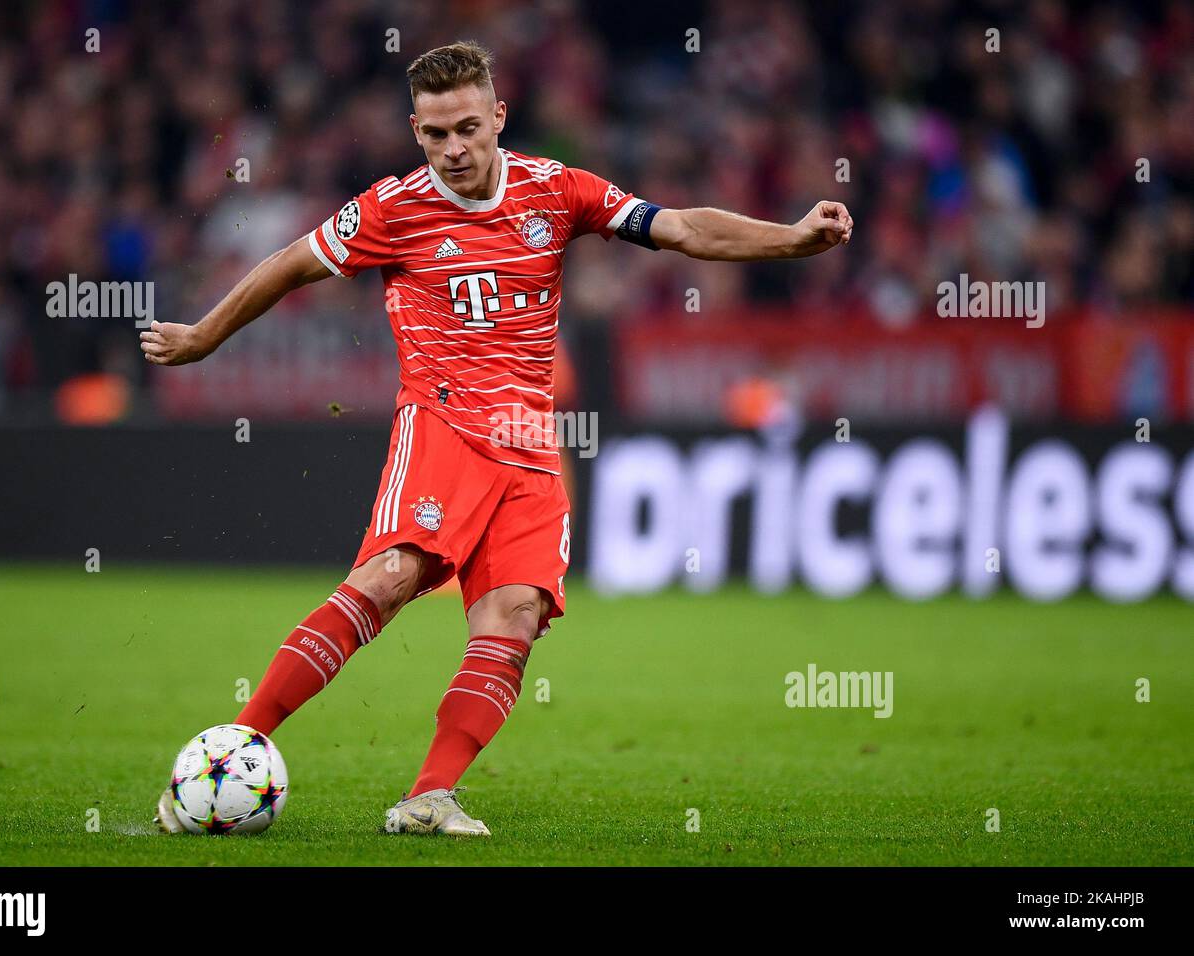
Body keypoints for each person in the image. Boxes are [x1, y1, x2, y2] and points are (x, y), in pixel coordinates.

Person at [143, 40, 852, 836]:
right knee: (390, 577)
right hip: (442, 421)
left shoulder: (559, 190)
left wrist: (791, 240)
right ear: (416, 130)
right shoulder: (391, 208)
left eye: (468, 129)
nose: (454, 149)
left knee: (513, 616)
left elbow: (682, 227)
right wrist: (203, 336)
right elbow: (288, 265)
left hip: (529, 445)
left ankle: (429, 795)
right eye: (437, 133)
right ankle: (232, 750)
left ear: (498, 118)